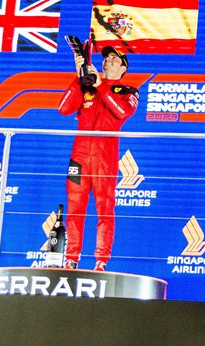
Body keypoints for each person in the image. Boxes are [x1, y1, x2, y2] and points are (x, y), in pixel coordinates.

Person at [58, 46, 139, 271]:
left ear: (123, 67)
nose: (107, 61)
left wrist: (100, 85)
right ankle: (71, 259)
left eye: (114, 58)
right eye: (105, 58)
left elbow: (122, 113)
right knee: (75, 208)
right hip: (79, 156)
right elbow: (63, 109)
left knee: (104, 209)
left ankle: (101, 261)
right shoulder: (87, 86)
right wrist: (78, 77)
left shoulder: (129, 91)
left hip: (106, 156)